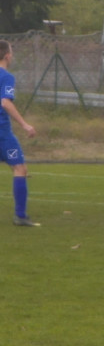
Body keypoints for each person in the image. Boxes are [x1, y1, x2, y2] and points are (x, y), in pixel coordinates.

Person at [0, 40, 39, 227]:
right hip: (2, 133)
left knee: (18, 167)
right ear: (7, 56)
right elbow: (5, 102)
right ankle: (20, 216)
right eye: (12, 52)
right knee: (20, 168)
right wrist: (24, 125)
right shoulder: (6, 77)